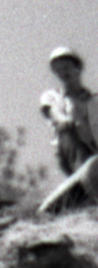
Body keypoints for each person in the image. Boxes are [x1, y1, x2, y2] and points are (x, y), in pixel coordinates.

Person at [38, 46, 98, 213]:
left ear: (77, 68)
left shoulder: (93, 100)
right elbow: (52, 112)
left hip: (92, 151)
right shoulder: (53, 96)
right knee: (67, 131)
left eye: (66, 67)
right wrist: (63, 120)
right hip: (70, 149)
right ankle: (86, 180)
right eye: (58, 70)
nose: (63, 73)